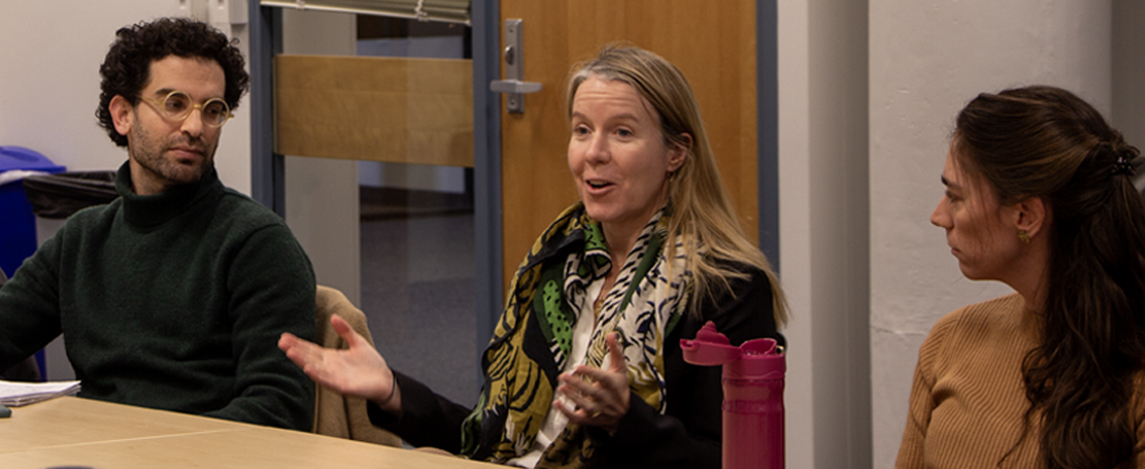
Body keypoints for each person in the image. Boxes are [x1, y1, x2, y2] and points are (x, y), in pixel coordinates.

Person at [279, 45, 787, 468]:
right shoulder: (557, 263)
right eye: (582, 129)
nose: (593, 153)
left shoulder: (727, 284)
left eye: (623, 132)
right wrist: (391, 390)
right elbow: (491, 436)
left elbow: (732, 462)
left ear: (676, 152)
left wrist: (624, 417)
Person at [0, 18, 316, 430]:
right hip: (93, 452)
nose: (194, 127)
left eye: (213, 110)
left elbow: (279, 410)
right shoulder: (83, 238)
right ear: (122, 115)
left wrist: (152, 450)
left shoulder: (256, 244)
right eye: (174, 103)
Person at [896, 85, 1145, 468]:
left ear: (1026, 217)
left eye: (956, 197)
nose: (939, 216)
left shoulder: (1142, 375)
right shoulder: (948, 342)